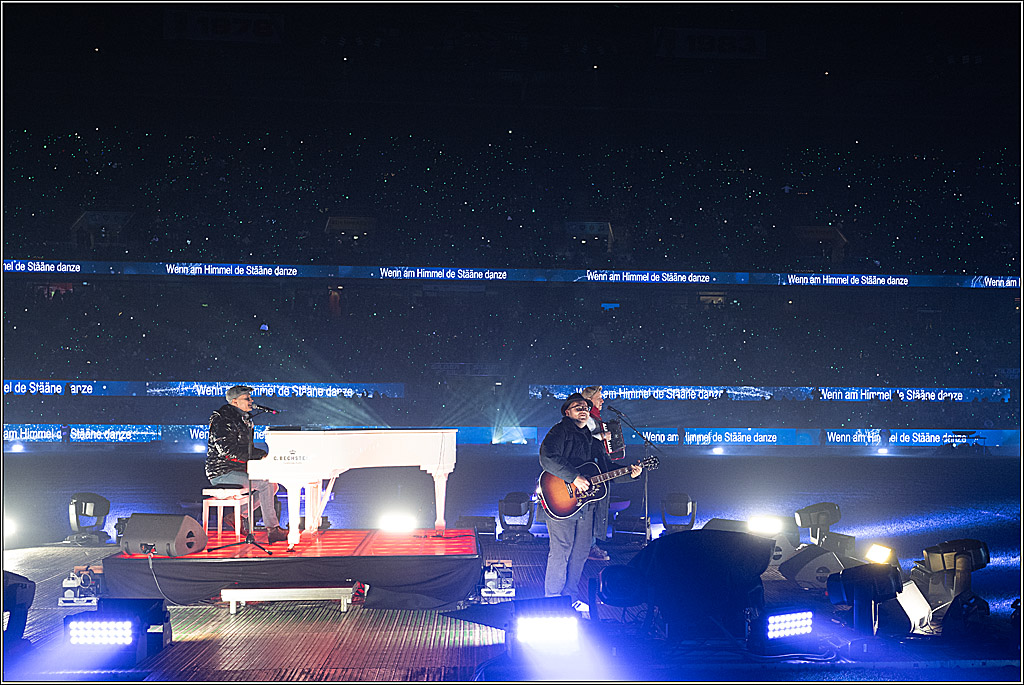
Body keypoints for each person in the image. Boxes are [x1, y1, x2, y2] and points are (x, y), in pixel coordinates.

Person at [540, 392, 642, 613]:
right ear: (567, 412)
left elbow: (605, 470)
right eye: (577, 407)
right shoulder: (560, 431)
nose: (583, 409)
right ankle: (552, 601)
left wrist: (629, 474)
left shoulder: (591, 439)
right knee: (561, 551)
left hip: (587, 506)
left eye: (585, 406)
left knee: (580, 552)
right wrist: (573, 477)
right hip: (562, 502)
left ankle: (570, 598)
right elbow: (547, 457)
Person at [206, 385, 288, 544]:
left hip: (236, 468)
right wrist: (260, 455)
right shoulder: (223, 419)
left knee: (274, 485)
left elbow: (244, 448)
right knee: (266, 484)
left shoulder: (243, 418)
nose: (251, 401)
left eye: (251, 398)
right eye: (247, 398)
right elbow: (226, 451)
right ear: (235, 402)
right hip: (222, 471)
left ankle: (238, 515)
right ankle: (273, 529)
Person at [581, 385, 613, 561]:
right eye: (599, 398)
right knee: (590, 508)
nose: (602, 401)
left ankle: (590, 545)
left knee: (595, 508)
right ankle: (589, 547)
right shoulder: (586, 419)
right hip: (586, 470)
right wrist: (602, 437)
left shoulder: (595, 419)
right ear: (589, 400)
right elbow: (582, 440)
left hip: (595, 467)